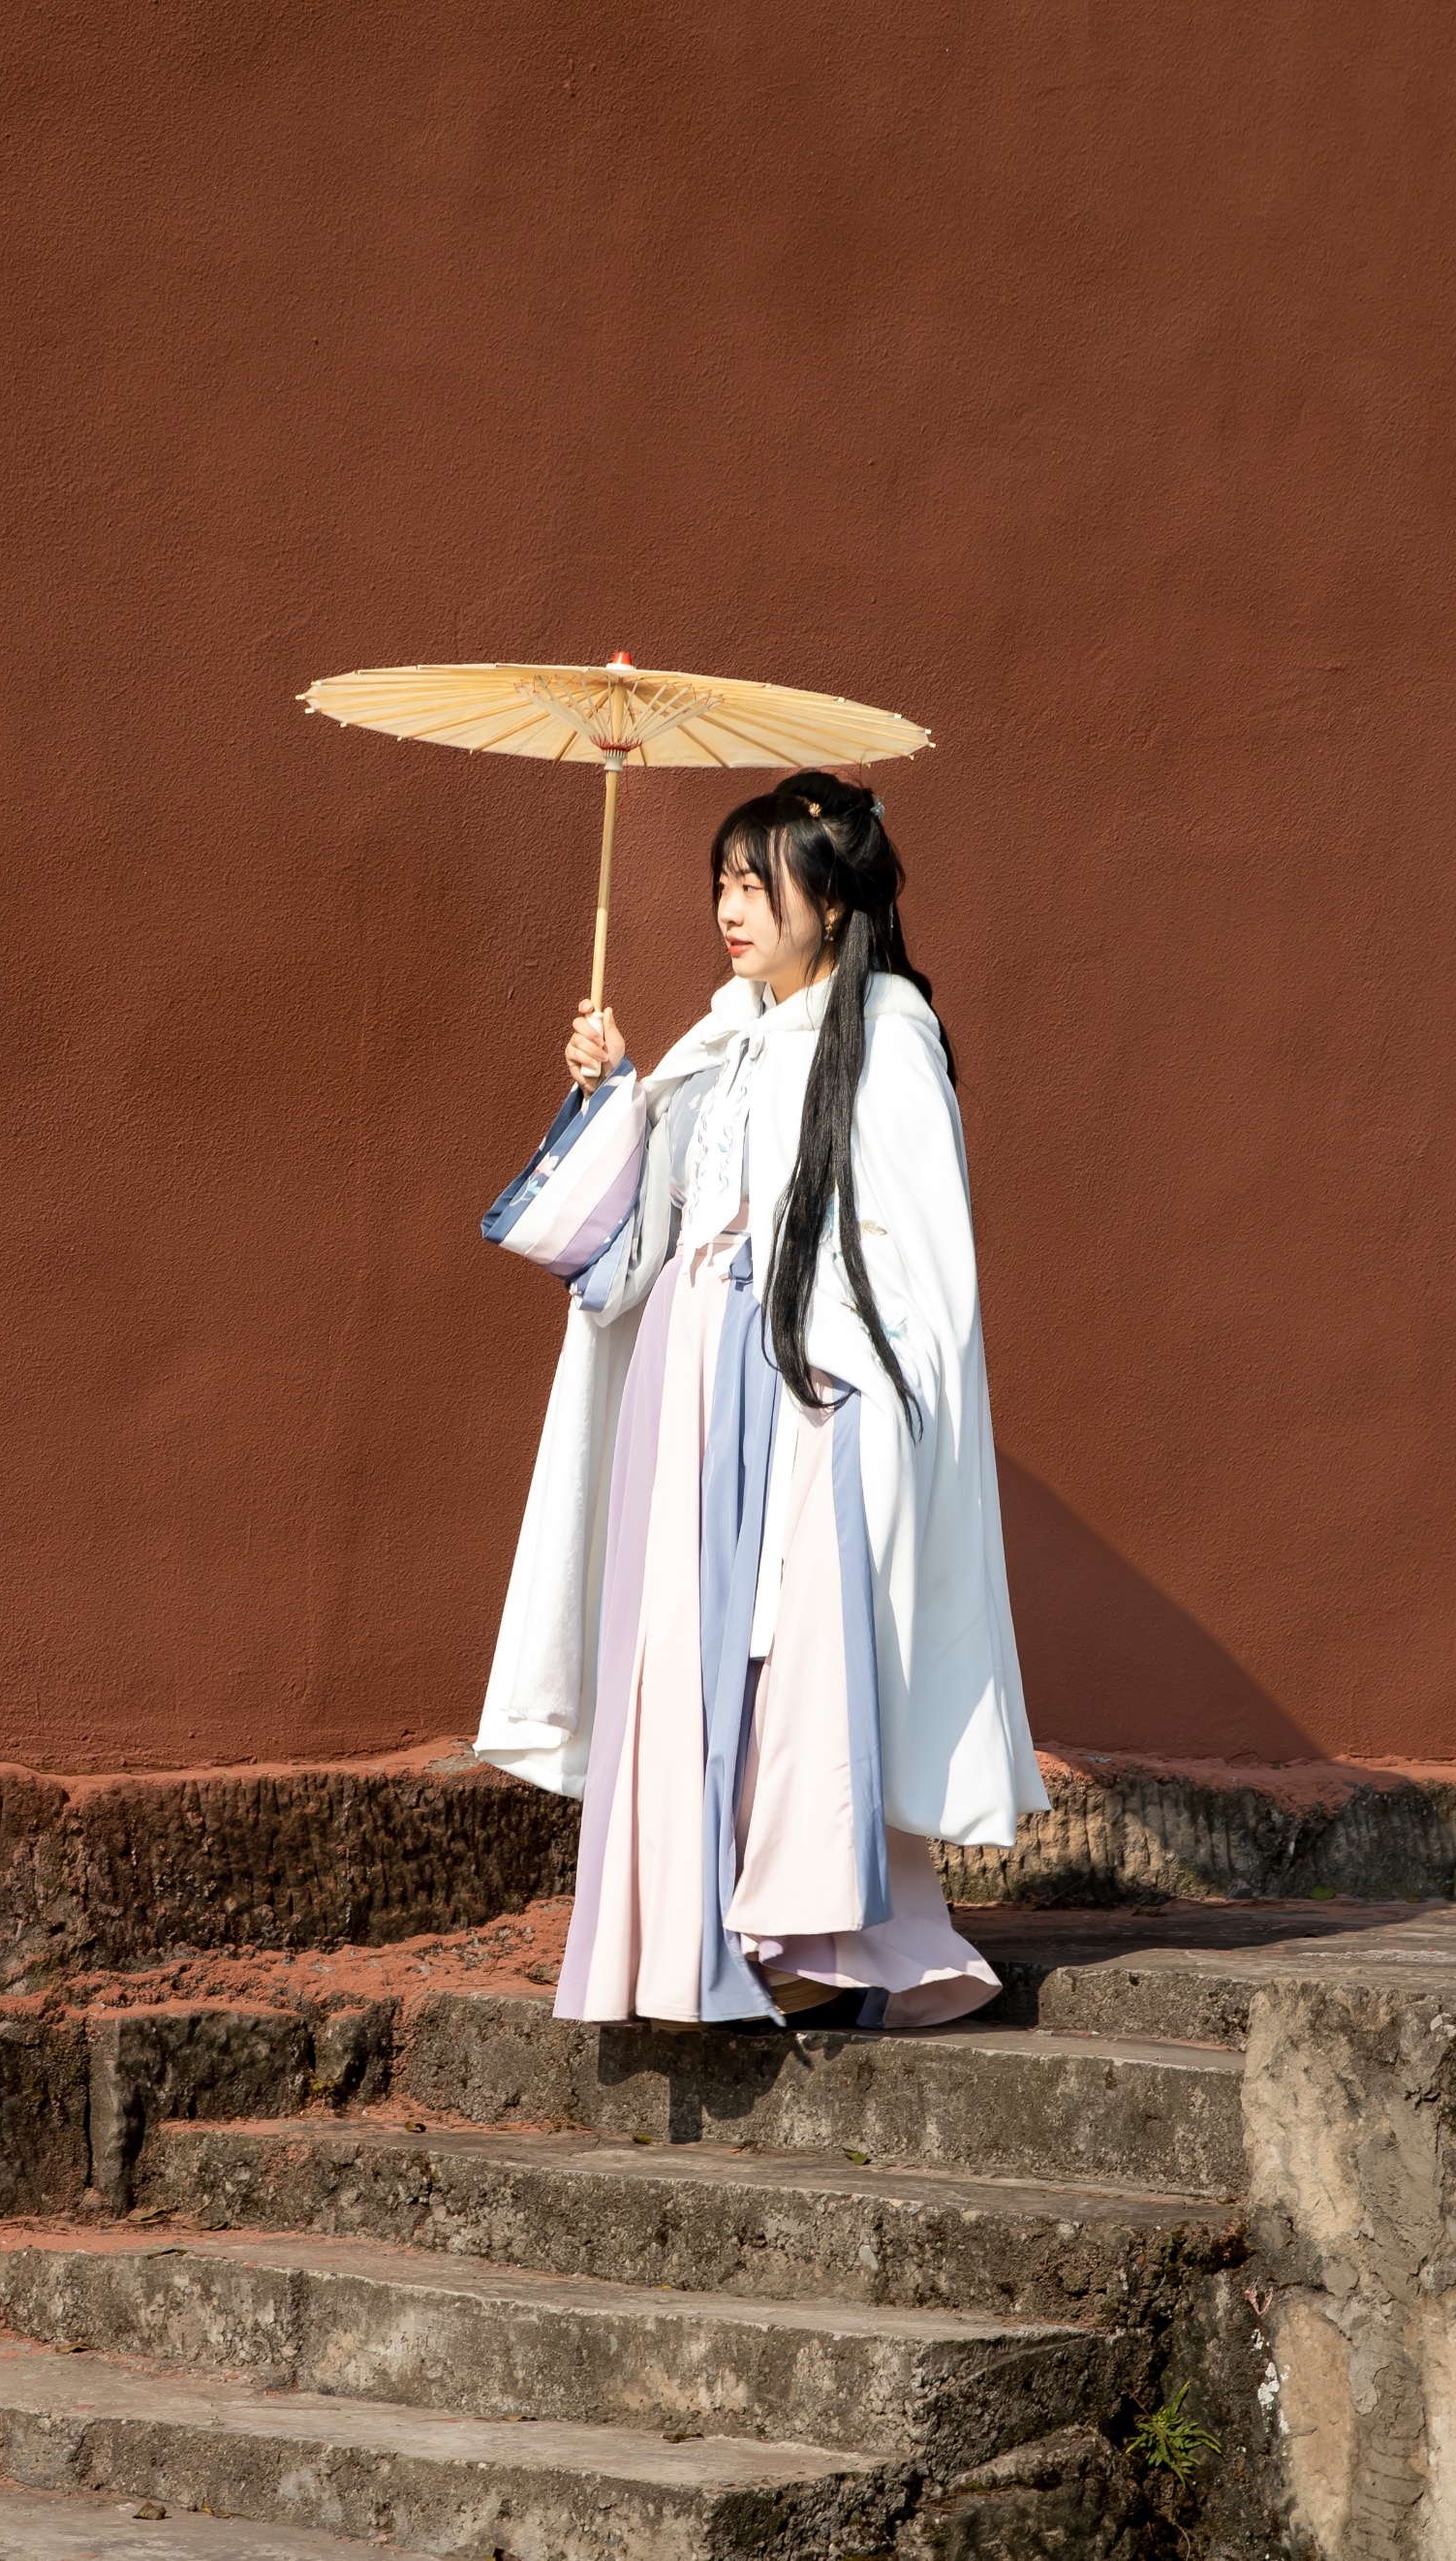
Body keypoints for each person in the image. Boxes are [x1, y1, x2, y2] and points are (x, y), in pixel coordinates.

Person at [475, 769, 1044, 2030]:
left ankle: (814, 1938)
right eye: (721, 882)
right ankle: (692, 1946)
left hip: (806, 1386)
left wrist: (843, 1387)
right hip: (689, 1383)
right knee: (690, 1643)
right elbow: (644, 1227)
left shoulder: (883, 1031)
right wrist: (612, 1093)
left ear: (832, 901)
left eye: (756, 881)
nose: (730, 907)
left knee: (794, 1654)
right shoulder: (724, 1031)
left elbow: (915, 1253)